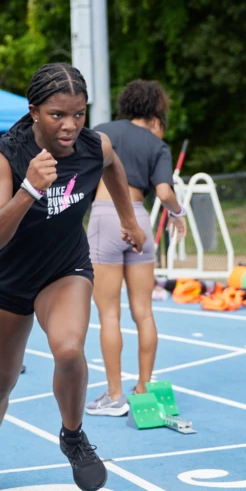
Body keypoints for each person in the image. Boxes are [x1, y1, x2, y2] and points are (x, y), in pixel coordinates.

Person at [0, 63, 147, 491]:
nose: (70, 126)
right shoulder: (5, 157)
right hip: (10, 279)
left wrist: (128, 219)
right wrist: (29, 189)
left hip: (64, 269)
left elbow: (112, 165)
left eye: (79, 114)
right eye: (57, 115)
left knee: (68, 349)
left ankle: (73, 435)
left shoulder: (93, 145)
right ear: (34, 112)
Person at [85, 80, 187, 417]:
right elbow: (164, 192)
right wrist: (179, 214)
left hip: (105, 216)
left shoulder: (102, 131)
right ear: (156, 112)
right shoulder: (157, 144)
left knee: (109, 313)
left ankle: (115, 395)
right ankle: (143, 387)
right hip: (139, 218)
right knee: (144, 311)